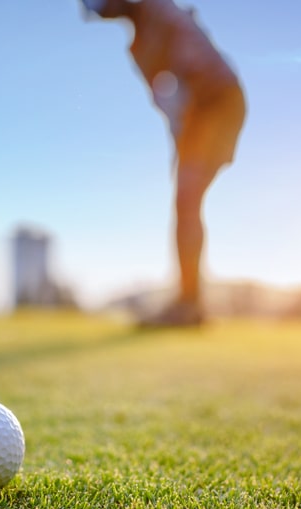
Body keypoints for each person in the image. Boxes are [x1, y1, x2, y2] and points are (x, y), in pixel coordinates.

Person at [81, 0, 245, 326]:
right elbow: (166, 99)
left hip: (219, 99)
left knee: (186, 198)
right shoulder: (138, 47)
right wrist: (180, 143)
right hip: (199, 112)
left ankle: (189, 304)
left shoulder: (157, 8)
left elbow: (189, 61)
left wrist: (186, 128)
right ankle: (190, 301)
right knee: (186, 200)